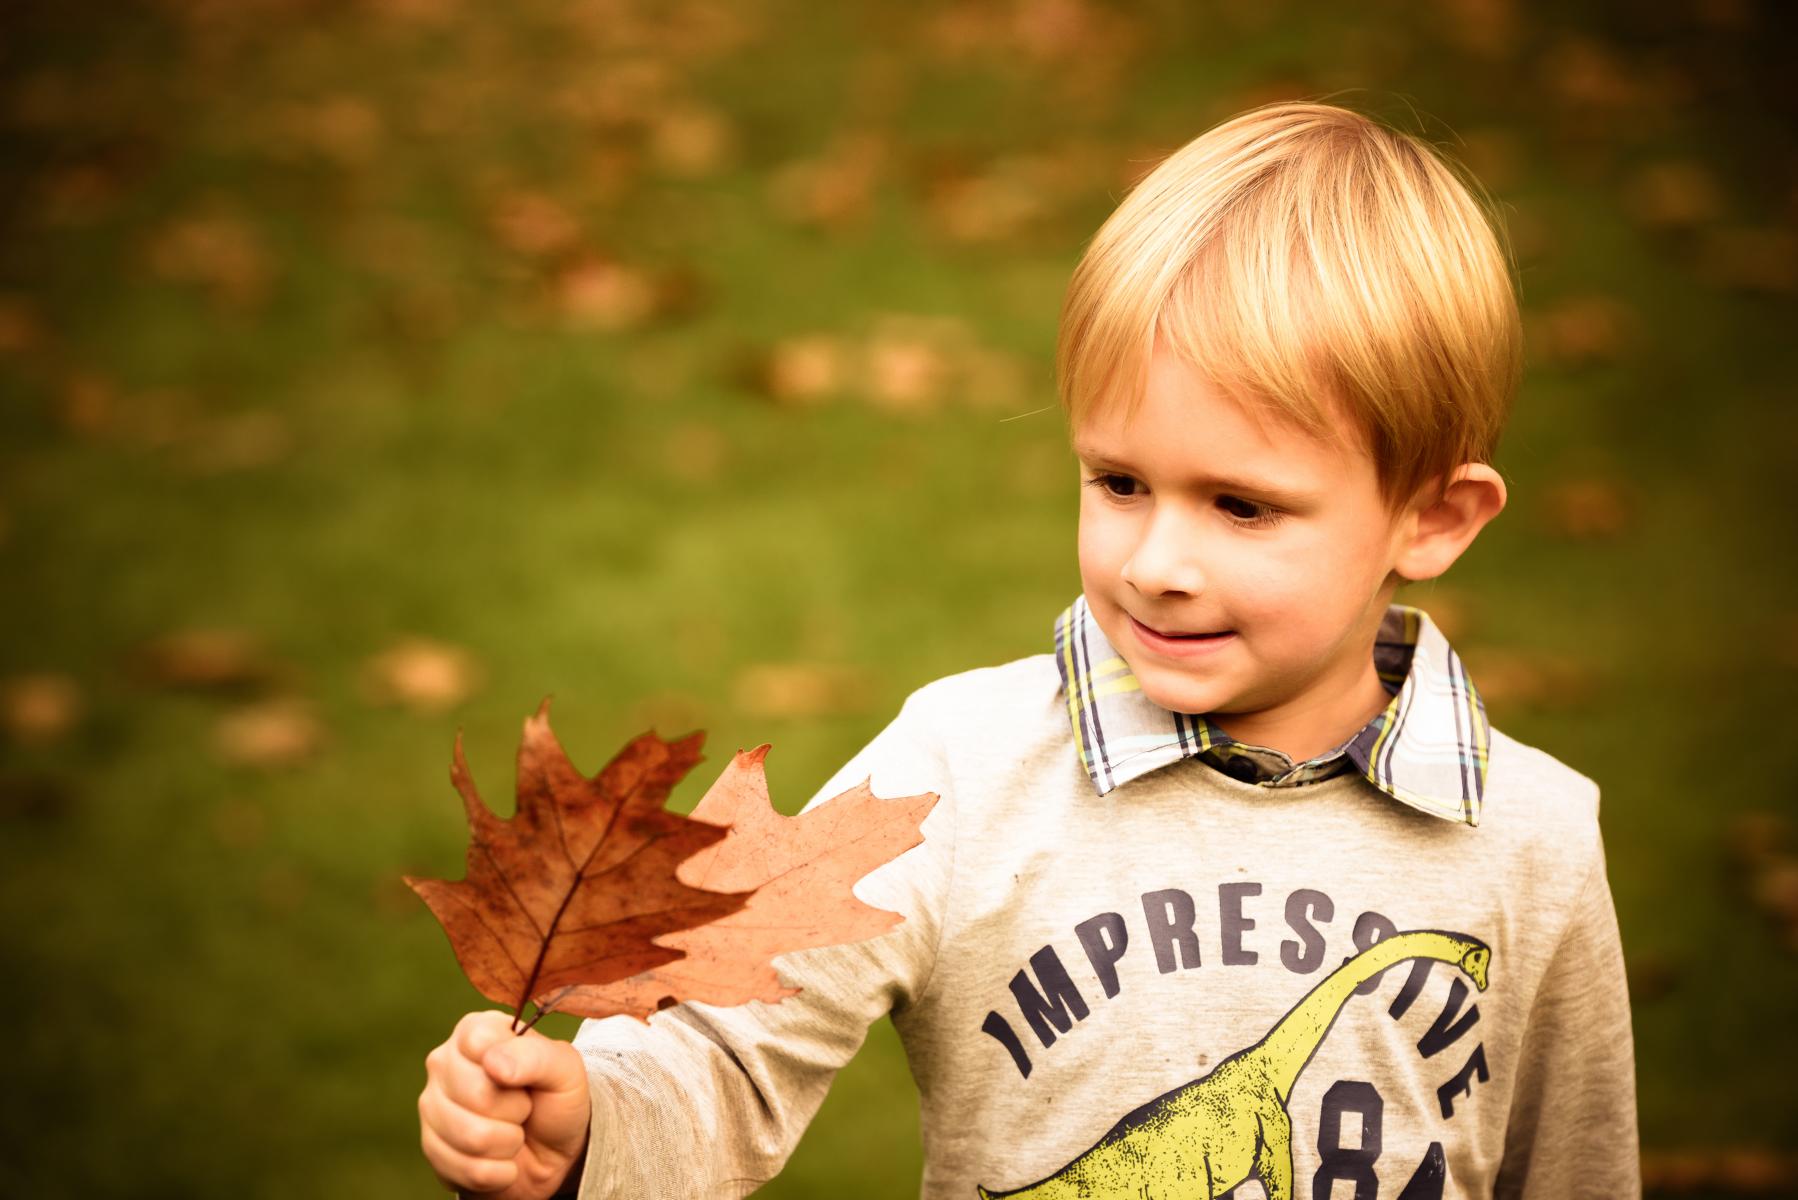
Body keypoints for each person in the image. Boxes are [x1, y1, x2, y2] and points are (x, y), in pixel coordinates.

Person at [416, 99, 1641, 1199]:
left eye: (1242, 505)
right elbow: (729, 1050)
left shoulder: (1533, 844)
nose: (1155, 559)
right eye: (1118, 481)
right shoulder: (961, 770)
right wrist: (587, 1130)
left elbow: (1576, 1169)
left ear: (1428, 518)